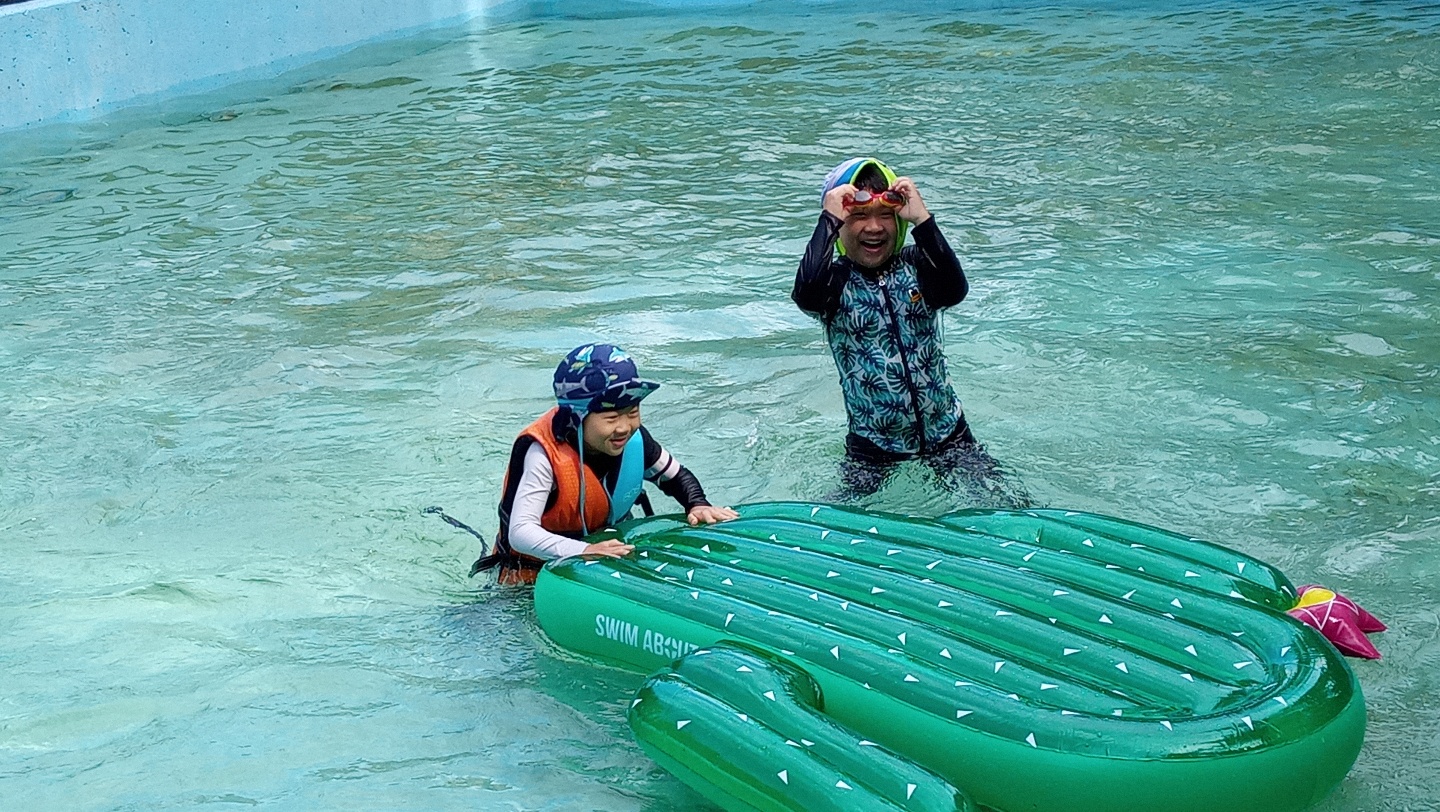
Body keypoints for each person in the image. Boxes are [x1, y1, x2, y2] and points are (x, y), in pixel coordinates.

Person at [791, 157, 1029, 506]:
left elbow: (954, 290)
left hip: (949, 434)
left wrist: (923, 220)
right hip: (873, 448)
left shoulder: (917, 264)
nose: (874, 227)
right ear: (840, 225)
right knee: (843, 516)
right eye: (858, 216)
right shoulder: (835, 282)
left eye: (885, 215)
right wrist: (826, 219)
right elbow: (806, 295)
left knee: (1010, 502)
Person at [470, 343, 738, 585]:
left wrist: (697, 503)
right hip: (532, 575)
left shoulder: (636, 441)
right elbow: (520, 533)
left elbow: (675, 476)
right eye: (610, 418)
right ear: (575, 418)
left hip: (607, 555)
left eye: (632, 413)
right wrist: (584, 550)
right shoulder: (543, 455)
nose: (624, 427)